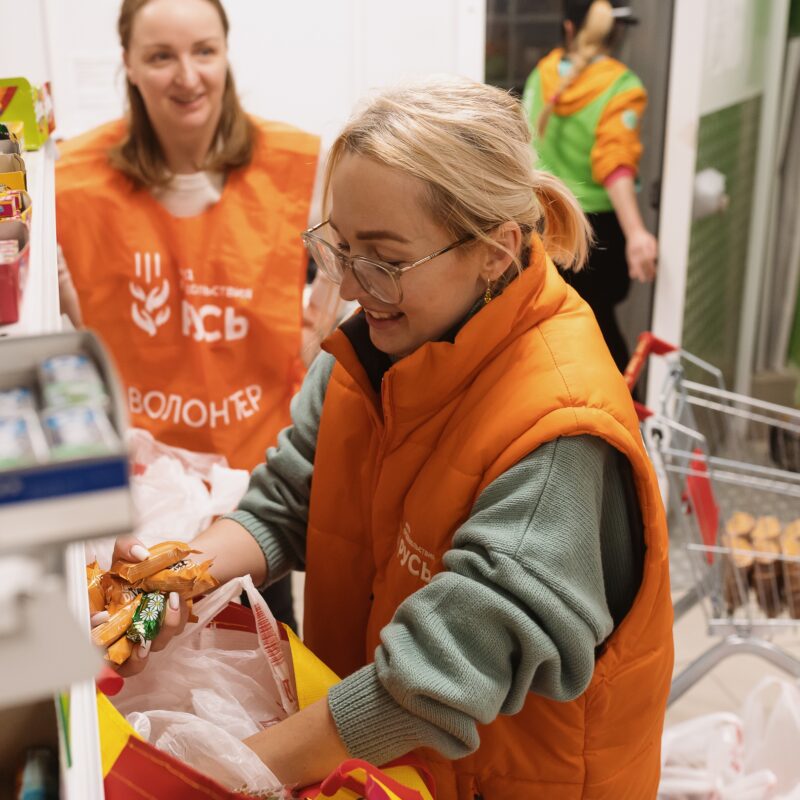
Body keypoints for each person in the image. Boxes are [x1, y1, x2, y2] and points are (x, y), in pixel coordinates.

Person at [113, 76, 673, 799]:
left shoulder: (561, 434)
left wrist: (221, 773)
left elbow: (430, 681)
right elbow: (288, 502)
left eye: (383, 259)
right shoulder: (375, 351)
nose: (348, 287)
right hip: (385, 770)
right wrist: (175, 579)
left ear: (495, 251)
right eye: (339, 248)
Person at [56, 0, 324, 627]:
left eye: (204, 51)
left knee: (263, 665)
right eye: (160, 56)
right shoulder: (71, 181)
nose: (187, 76)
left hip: (254, 499)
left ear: (226, 52)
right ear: (128, 63)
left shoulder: (297, 168)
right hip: (141, 504)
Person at [522, 0, 658, 373]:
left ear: (568, 28)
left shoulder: (542, 74)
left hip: (542, 224)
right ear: (616, 32)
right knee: (597, 333)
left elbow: (524, 146)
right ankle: (626, 418)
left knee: (550, 328)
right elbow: (614, 164)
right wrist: (636, 234)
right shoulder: (622, 87)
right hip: (594, 235)